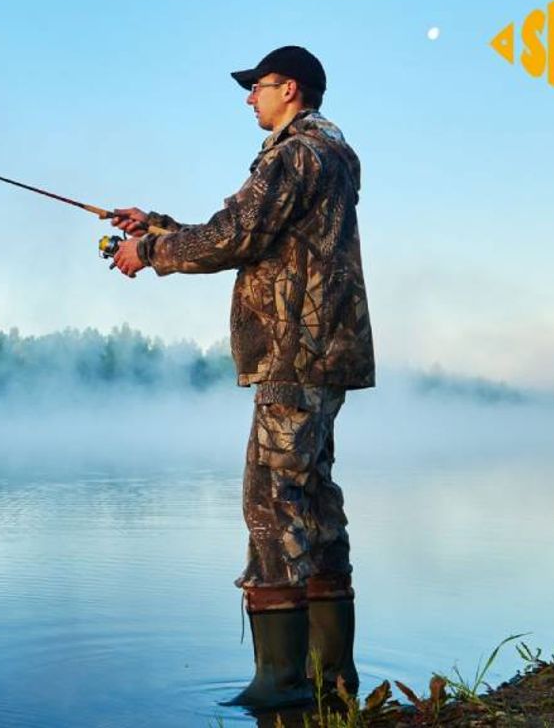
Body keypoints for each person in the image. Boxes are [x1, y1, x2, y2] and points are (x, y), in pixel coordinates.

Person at [108, 45, 375, 712]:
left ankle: (280, 685)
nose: (248, 98)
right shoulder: (330, 154)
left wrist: (148, 252)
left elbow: (237, 235)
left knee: (271, 502)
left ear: (289, 88)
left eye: (256, 87)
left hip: (293, 351)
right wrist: (161, 227)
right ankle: (331, 680)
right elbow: (257, 234)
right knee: (311, 499)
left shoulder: (292, 155)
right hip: (324, 351)